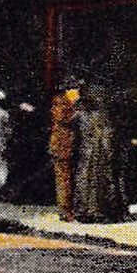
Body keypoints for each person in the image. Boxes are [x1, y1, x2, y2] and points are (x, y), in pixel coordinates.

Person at [75, 85, 126, 222]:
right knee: (100, 180)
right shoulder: (98, 114)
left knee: (95, 181)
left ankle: (92, 211)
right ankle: (101, 211)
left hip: (92, 152)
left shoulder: (88, 113)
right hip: (95, 152)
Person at [48, 84, 81, 220]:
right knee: (64, 180)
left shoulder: (64, 101)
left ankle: (70, 209)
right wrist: (76, 113)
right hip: (62, 146)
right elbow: (62, 118)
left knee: (69, 179)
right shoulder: (61, 102)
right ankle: (65, 211)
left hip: (70, 145)